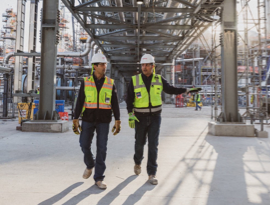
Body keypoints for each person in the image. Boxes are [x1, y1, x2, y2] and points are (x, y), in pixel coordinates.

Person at [126, 54, 200, 185]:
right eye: (143, 65)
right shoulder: (134, 80)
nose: (144, 67)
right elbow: (129, 98)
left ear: (152, 66)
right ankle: (138, 162)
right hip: (140, 118)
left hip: (155, 117)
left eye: (147, 65)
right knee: (139, 144)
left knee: (153, 145)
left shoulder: (159, 79)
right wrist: (130, 114)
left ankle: (151, 173)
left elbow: (171, 90)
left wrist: (187, 90)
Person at [72, 53, 121, 190]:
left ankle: (99, 178)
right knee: (84, 144)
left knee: (102, 149)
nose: (105, 67)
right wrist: (75, 118)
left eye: (105, 64)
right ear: (95, 66)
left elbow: (115, 103)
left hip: (104, 121)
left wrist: (118, 120)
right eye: (102, 64)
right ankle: (90, 164)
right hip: (88, 118)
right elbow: (80, 101)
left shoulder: (110, 83)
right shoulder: (86, 81)